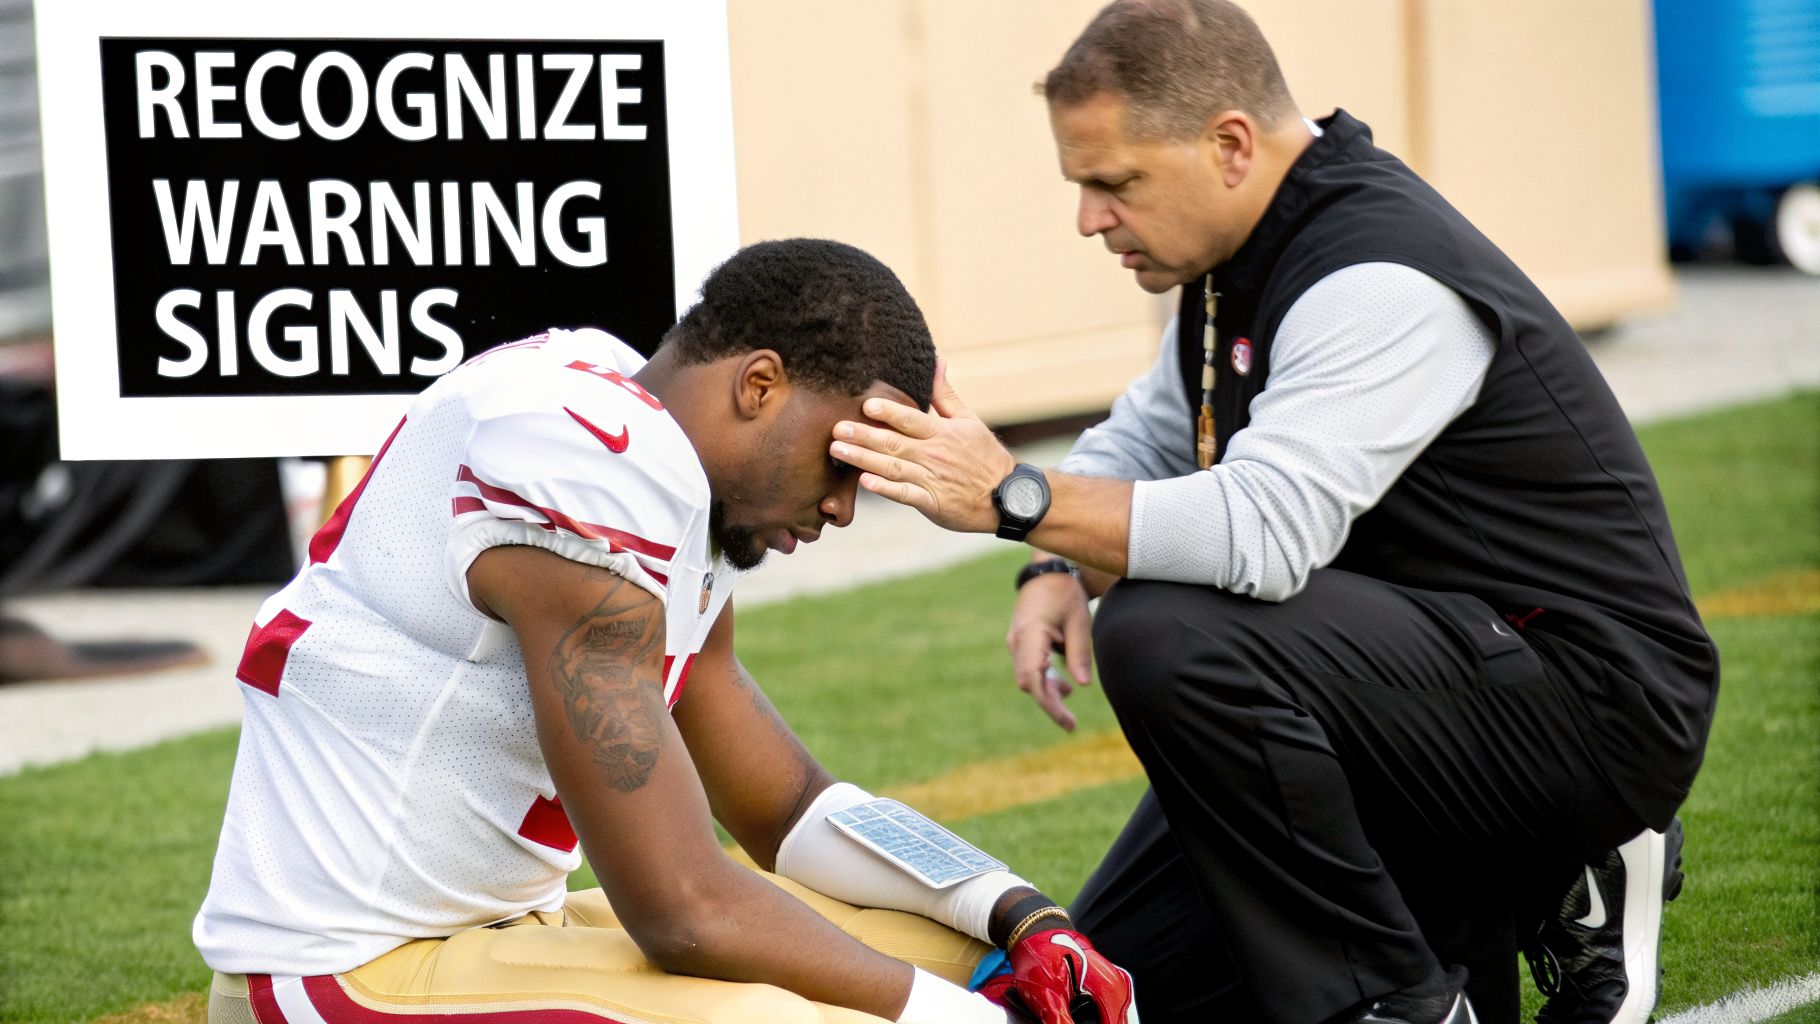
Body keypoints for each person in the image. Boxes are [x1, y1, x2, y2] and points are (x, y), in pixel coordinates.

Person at [826, 4, 1715, 1024]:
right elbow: (1148, 430)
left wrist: (1012, 500)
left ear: (1231, 145)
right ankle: (1486, 907)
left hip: (1587, 711)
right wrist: (1053, 568)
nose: (1087, 219)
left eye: (1112, 183)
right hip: (1412, 694)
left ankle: (1412, 994)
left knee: (1166, 630)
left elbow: (1262, 534)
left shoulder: (1375, 272)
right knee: (1104, 994)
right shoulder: (1238, 254)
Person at [192, 239, 1138, 1024]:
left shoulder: (673, 462)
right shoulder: (592, 462)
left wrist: (1017, 911)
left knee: (974, 956)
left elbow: (787, 806)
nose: (846, 507)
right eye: (841, 456)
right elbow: (682, 909)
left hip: (501, 933)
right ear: (760, 385)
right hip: (342, 973)